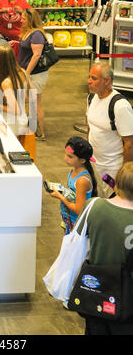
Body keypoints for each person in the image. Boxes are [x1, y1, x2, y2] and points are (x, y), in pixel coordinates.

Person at [78, 161, 133, 335]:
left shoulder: (95, 206)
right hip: (128, 297)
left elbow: (79, 238)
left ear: (117, 181)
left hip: (97, 291)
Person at [87, 61, 133, 198]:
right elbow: (91, 125)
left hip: (112, 170)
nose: (89, 81)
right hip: (94, 166)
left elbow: (130, 144)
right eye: (89, 77)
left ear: (107, 81)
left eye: (94, 78)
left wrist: (123, 175)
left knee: (113, 204)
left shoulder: (120, 106)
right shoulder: (91, 98)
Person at [50, 136, 98, 235]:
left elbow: (78, 209)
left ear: (82, 160)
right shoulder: (73, 171)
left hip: (76, 223)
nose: (65, 158)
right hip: (68, 219)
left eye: (70, 156)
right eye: (65, 154)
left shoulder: (81, 181)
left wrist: (60, 196)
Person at [16, 8, 49, 140]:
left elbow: (36, 55)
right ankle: (32, 127)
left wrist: (26, 73)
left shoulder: (36, 34)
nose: (21, 20)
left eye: (24, 18)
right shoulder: (28, 32)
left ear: (31, 20)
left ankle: (41, 133)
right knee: (30, 101)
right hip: (28, 72)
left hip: (35, 74)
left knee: (35, 102)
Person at [0, 44, 36, 138]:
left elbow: (15, 110)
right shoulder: (23, 72)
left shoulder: (6, 82)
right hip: (22, 120)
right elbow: (31, 95)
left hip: (11, 124)